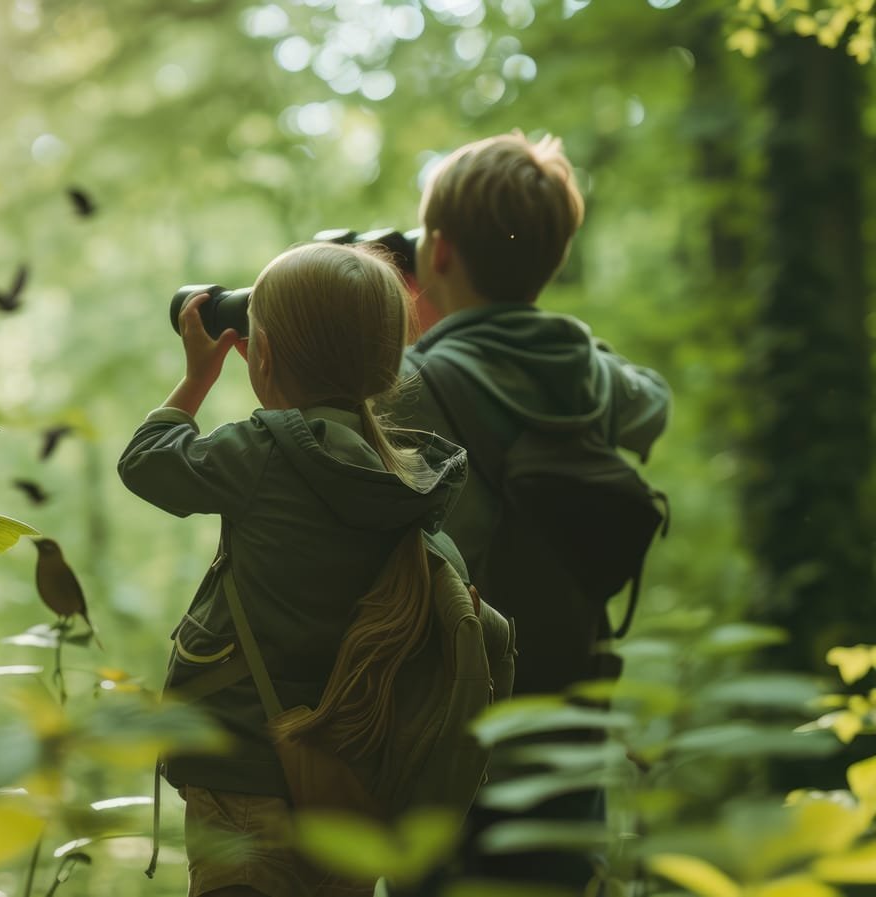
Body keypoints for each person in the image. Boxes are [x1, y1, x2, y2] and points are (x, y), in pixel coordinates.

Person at [118, 242, 469, 897]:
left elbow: (146, 462)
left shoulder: (262, 454)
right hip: (346, 776)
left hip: (240, 760)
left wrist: (198, 376)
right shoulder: (404, 477)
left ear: (264, 354)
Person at [388, 132, 671, 891]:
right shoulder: (591, 378)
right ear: (553, 258)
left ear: (438, 253)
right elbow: (654, 405)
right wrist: (570, 343)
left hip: (445, 724)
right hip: (570, 712)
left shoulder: (408, 386)